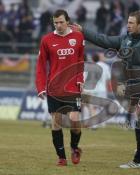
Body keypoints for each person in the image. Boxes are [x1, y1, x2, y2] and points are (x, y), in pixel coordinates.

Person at [75, 11, 140, 169]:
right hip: (139, 90)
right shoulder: (126, 40)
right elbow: (103, 39)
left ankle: (138, 161)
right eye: (128, 22)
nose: (128, 25)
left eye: (131, 23)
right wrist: (84, 31)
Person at [35, 9, 85, 166]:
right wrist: (40, 87)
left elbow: (80, 60)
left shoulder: (78, 37)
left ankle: (75, 147)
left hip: (72, 86)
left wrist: (80, 78)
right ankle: (61, 157)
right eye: (55, 22)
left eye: (61, 22)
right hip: (54, 87)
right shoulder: (47, 40)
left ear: (67, 21)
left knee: (74, 119)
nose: (58, 25)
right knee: (56, 121)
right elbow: (41, 65)